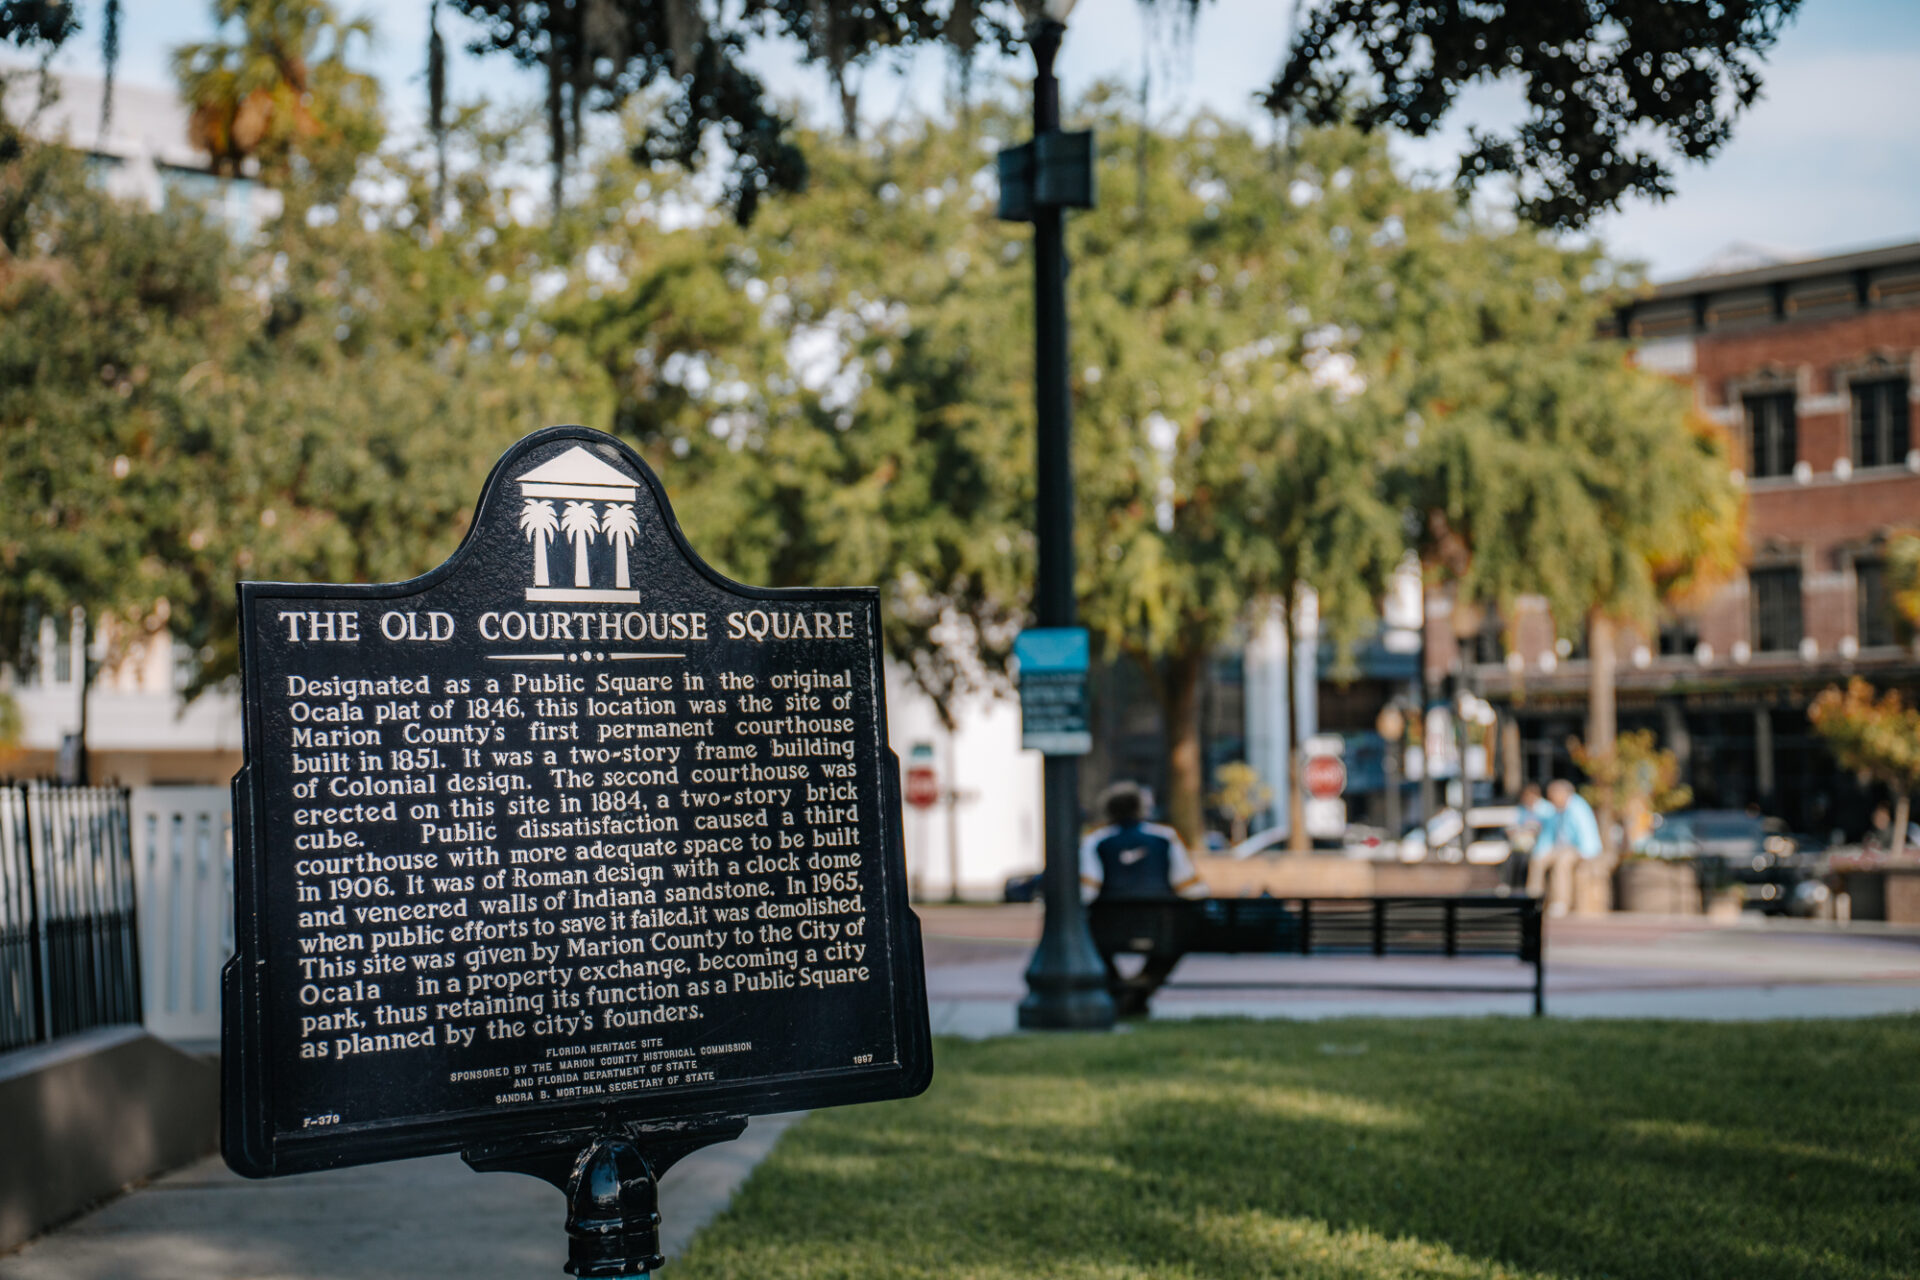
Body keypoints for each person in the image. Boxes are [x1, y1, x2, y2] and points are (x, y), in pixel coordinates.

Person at [1079, 781, 1206, 1014]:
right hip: (1160, 926)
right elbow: (1191, 889)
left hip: (1108, 926)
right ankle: (1141, 988)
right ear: (1141, 808)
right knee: (1180, 935)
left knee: (1087, 934)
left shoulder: (1094, 841)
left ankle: (1121, 991)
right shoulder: (1166, 837)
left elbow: (1087, 892)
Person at [1525, 779, 1602, 916]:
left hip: (1578, 849)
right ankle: (1532, 900)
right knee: (1537, 861)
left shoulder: (1578, 807)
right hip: (1558, 848)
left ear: (1563, 794)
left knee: (1562, 862)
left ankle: (1560, 903)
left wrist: (1587, 854)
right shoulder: (1555, 810)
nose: (1550, 799)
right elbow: (1547, 835)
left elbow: (1587, 834)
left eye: (1552, 795)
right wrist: (1540, 852)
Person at [1502, 782, 1548, 896]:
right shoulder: (1522, 809)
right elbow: (1512, 826)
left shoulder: (1545, 809)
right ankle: (1509, 886)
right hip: (1522, 843)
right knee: (1513, 856)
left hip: (1540, 844)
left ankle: (1527, 892)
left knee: (1525, 859)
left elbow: (1544, 830)